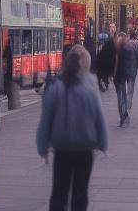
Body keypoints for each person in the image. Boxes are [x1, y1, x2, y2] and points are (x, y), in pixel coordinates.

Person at [36, 44, 108, 211]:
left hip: (62, 148)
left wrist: (43, 147)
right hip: (85, 147)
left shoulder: (55, 87)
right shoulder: (91, 86)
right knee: (80, 193)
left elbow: (46, 120)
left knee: (59, 192)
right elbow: (99, 117)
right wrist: (103, 143)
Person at [114, 32, 138, 126]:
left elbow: (115, 66)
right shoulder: (129, 51)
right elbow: (133, 63)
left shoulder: (117, 51)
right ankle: (124, 114)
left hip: (119, 76)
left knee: (120, 98)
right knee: (123, 96)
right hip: (124, 76)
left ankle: (122, 115)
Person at [95, 23, 117, 92]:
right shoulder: (108, 38)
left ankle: (104, 83)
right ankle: (103, 84)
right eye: (111, 27)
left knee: (103, 74)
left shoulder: (112, 39)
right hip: (104, 61)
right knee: (103, 74)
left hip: (105, 61)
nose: (112, 29)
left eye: (113, 27)